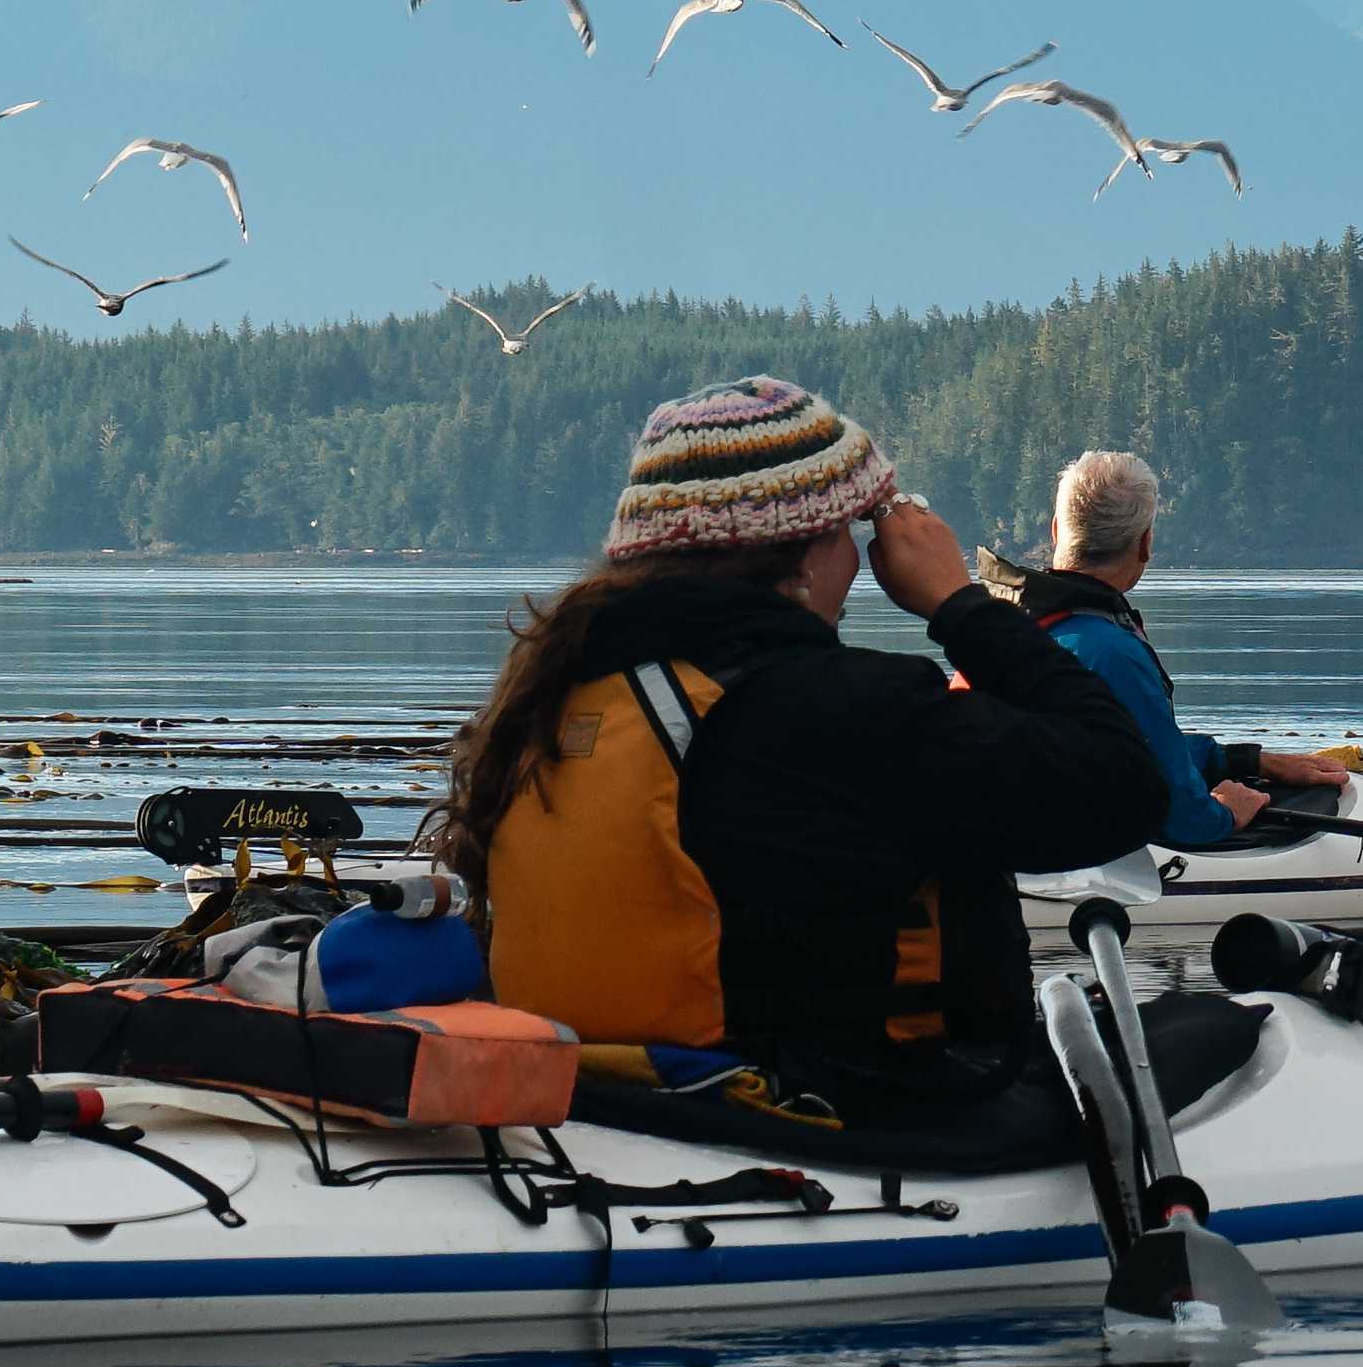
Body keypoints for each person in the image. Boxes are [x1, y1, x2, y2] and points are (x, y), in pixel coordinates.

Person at [442, 375, 1171, 1120]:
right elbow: (1124, 789)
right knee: (1214, 1034)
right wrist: (961, 606)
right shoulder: (849, 710)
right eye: (854, 534)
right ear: (803, 553)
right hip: (857, 1115)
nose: (860, 564)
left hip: (607, 1097)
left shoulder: (557, 693)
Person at [1002, 449, 1357, 848]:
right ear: (1145, 544)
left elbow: (1124, 748)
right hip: (1051, 860)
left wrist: (1245, 761)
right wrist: (1227, 809)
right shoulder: (1112, 652)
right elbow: (1182, 819)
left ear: (1054, 530)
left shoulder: (1005, 629)